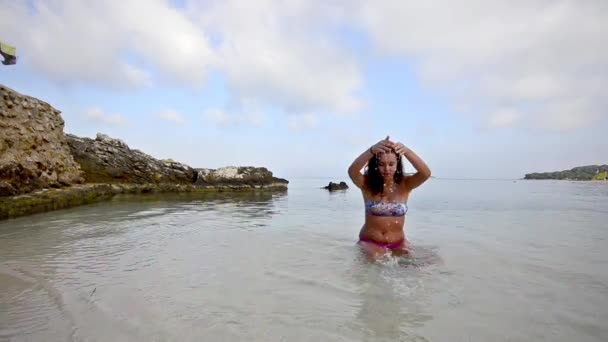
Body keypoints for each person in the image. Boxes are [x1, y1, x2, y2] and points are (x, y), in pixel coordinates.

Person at [348, 136, 431, 260]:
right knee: (377, 262)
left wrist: (407, 151)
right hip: (370, 242)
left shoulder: (405, 185)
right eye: (381, 164)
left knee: (421, 266)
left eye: (391, 164)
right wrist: (372, 150)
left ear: (397, 164)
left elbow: (426, 173)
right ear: (375, 165)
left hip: (399, 243)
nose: (387, 169)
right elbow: (352, 171)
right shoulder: (367, 185)